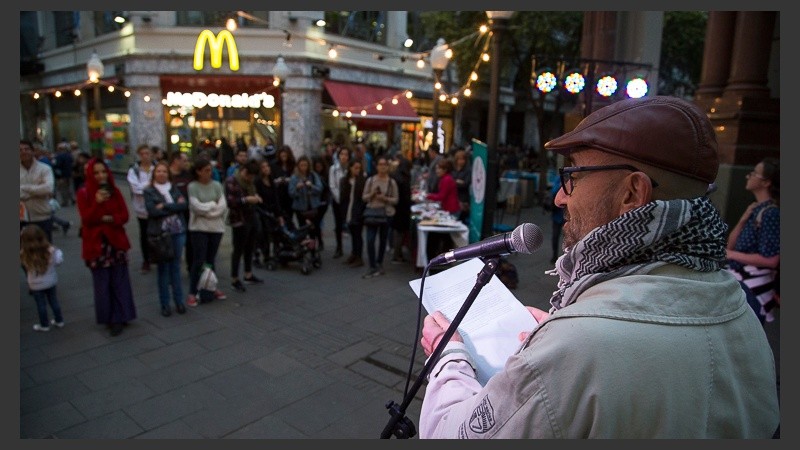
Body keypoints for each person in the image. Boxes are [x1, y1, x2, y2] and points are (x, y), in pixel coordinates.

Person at [418, 96, 780, 438]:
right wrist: (559, 334)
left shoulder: (578, 348)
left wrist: (449, 354)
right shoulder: (741, 312)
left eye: (572, 177)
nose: (560, 196)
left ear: (632, 193)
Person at [77, 157, 137, 337]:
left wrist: (107, 218)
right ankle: (110, 317)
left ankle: (123, 313)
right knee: (103, 283)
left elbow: (124, 215)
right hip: (97, 245)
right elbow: (87, 219)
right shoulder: (84, 193)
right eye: (96, 173)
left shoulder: (115, 191)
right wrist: (97, 203)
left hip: (116, 242)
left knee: (120, 280)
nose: (100, 175)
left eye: (103, 171)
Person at [725, 157, 780, 324]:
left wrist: (731, 254)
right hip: (739, 280)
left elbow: (771, 260)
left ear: (766, 182)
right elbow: (730, 246)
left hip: (753, 288)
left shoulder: (771, 214)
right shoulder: (755, 208)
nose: (749, 176)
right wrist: (742, 220)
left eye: (755, 173)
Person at [144, 161, 189, 317]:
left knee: (175, 267)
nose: (161, 174)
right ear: (154, 174)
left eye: (164, 171)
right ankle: (165, 304)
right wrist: (172, 206)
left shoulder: (174, 188)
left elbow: (184, 206)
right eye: (158, 171)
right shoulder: (149, 191)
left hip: (178, 232)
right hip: (161, 235)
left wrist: (163, 206)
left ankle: (179, 301)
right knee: (163, 270)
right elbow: (152, 211)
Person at [186, 158, 228, 307]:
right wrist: (212, 205)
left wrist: (209, 210)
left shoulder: (217, 185)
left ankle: (211, 288)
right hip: (199, 229)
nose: (209, 173)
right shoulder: (193, 186)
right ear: (198, 172)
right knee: (198, 260)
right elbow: (196, 207)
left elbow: (222, 206)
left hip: (216, 228)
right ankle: (192, 292)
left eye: (210, 170)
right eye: (206, 170)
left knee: (211, 260)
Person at [224, 160, 264, 292]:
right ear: (245, 172)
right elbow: (231, 202)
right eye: (250, 176)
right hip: (239, 219)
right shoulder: (232, 181)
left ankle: (248, 274)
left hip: (251, 217)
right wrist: (246, 199)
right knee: (238, 249)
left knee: (249, 247)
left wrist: (256, 196)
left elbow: (253, 191)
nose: (251, 179)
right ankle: (234, 278)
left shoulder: (249, 182)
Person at [20, 224, 65, 332]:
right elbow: (59, 261)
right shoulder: (51, 250)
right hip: (50, 282)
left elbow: (24, 266)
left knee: (41, 305)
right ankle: (59, 320)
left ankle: (44, 325)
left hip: (35, 285)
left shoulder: (24, 253)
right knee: (54, 301)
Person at [361, 156, 398, 279]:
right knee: (370, 240)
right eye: (380, 164)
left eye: (385, 164)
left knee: (383, 240)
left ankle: (379, 262)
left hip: (386, 214)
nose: (382, 167)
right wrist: (372, 194)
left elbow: (396, 199)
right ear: (377, 166)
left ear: (388, 167)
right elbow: (364, 197)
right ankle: (372, 264)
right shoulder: (371, 180)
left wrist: (385, 198)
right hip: (372, 213)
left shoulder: (391, 183)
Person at [127, 144, 155, 273]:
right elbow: (136, 189)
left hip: (156, 206)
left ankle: (156, 256)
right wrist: (149, 185)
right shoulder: (134, 170)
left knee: (157, 233)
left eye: (147, 153)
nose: (145, 156)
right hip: (141, 208)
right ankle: (146, 260)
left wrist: (146, 187)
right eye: (142, 153)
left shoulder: (156, 168)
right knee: (144, 234)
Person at [20, 139, 55, 242]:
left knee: (45, 251)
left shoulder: (44, 169)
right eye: (20, 150)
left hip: (42, 216)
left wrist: (24, 188)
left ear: (32, 151)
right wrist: (37, 190)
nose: (24, 152)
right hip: (22, 219)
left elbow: (48, 188)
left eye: (26, 149)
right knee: (24, 253)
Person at [288, 155, 324, 246]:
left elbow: (320, 189)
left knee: (313, 228)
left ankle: (314, 247)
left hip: (312, 206)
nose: (303, 167)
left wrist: (311, 186)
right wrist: (297, 188)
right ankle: (304, 247)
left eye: (305, 165)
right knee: (302, 229)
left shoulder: (313, 175)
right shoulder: (294, 177)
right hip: (300, 207)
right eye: (301, 165)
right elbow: (291, 193)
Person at [168, 151, 194, 272]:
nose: (186, 163)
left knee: (190, 241)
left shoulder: (188, 174)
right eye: (184, 160)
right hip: (172, 214)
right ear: (176, 161)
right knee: (173, 242)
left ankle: (191, 265)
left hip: (188, 212)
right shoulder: (167, 175)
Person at [340, 158, 366, 268]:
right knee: (353, 233)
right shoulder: (345, 181)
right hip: (348, 210)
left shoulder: (362, 181)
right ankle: (354, 253)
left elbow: (363, 199)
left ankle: (359, 256)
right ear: (350, 168)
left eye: (359, 168)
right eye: (355, 168)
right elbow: (343, 197)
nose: (357, 170)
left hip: (358, 211)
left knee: (358, 234)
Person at [328, 147, 351, 259]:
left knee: (350, 224)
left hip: (348, 200)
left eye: (346, 154)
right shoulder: (333, 169)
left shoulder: (350, 169)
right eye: (342, 154)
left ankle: (353, 251)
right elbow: (332, 185)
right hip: (337, 201)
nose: (344, 157)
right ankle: (339, 247)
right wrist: (339, 198)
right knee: (338, 225)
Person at [546, 180, 565, 263]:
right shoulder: (558, 180)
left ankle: (567, 256)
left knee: (569, 237)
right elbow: (552, 192)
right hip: (557, 215)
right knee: (555, 236)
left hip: (565, 216)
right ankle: (554, 255)